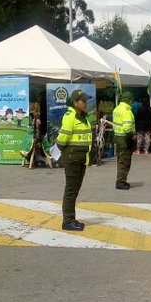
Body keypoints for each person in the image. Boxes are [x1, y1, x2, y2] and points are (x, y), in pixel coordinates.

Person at [56, 89, 93, 231]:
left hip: (80, 158)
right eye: (83, 101)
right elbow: (63, 137)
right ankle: (68, 221)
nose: (85, 103)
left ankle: (71, 218)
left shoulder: (82, 117)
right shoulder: (70, 116)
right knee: (71, 190)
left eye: (86, 101)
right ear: (75, 102)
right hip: (72, 158)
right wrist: (58, 148)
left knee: (75, 190)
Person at [111, 96, 136, 190]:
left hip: (118, 137)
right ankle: (120, 181)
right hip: (125, 139)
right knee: (125, 162)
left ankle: (121, 180)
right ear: (129, 100)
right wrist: (132, 135)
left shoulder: (116, 109)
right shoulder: (127, 111)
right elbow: (127, 127)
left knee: (120, 160)